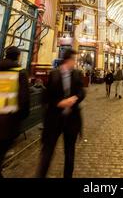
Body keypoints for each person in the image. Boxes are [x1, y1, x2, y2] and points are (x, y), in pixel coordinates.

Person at [37, 49, 86, 178]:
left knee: (69, 152)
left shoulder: (77, 74)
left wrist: (75, 98)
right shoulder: (53, 74)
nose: (75, 63)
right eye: (74, 60)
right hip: (54, 120)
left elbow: (82, 92)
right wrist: (59, 103)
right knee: (47, 151)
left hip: (72, 120)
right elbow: (45, 97)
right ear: (68, 60)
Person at [0, 46, 30, 178]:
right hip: (10, 118)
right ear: (18, 56)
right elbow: (24, 97)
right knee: (4, 146)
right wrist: (24, 114)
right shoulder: (20, 72)